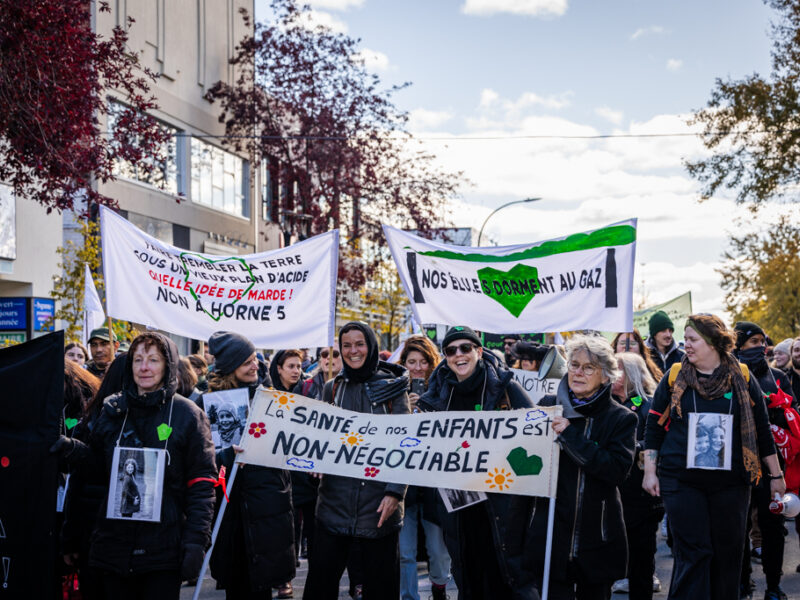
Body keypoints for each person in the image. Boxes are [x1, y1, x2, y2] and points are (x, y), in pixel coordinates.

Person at [53, 331, 217, 599]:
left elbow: (201, 484)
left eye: (153, 360)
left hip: (162, 551)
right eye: (138, 359)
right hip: (112, 548)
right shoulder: (113, 410)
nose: (144, 367)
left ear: (168, 365)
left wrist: (196, 542)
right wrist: (73, 450)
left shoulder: (187, 414)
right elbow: (97, 473)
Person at [643, 314, 783, 600]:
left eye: (693, 339)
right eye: (687, 338)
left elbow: (761, 429)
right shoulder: (674, 376)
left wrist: (776, 475)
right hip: (681, 480)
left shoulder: (742, 377)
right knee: (695, 552)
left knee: (728, 554)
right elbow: (653, 427)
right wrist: (649, 471)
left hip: (731, 482)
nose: (687, 345)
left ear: (713, 343)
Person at [418, 326, 536, 599]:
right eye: (451, 350)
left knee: (503, 574)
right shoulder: (436, 394)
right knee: (469, 573)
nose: (459, 355)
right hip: (458, 502)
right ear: (445, 357)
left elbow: (535, 430)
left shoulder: (507, 388)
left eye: (465, 348)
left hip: (502, 500)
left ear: (479, 351)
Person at [303, 322, 411, 600]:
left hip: (379, 509)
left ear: (371, 346)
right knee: (320, 587)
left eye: (359, 343)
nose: (353, 351)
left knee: (381, 589)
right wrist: (316, 461)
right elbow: (321, 436)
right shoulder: (332, 388)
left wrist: (395, 493)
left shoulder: (393, 390)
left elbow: (406, 445)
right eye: (346, 345)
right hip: (333, 507)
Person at [529, 334, 637, 599]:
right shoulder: (547, 408)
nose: (578, 372)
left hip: (596, 539)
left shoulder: (622, 418)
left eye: (589, 367)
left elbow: (616, 470)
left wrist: (570, 436)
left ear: (605, 376)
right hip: (551, 537)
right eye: (574, 365)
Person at [204, 331, 295, 600]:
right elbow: (203, 462)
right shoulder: (206, 404)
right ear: (230, 367)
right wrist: (224, 458)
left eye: (254, 358)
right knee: (238, 585)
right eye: (246, 362)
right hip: (231, 514)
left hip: (267, 507)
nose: (254, 365)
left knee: (261, 587)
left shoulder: (271, 400)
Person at [734, 321, 798, 600]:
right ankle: (742, 583)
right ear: (737, 346)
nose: (760, 347)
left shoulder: (778, 377)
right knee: (738, 528)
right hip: (737, 467)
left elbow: (793, 415)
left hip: (773, 467)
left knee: (773, 527)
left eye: (763, 342)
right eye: (753, 342)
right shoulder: (729, 376)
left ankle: (773, 586)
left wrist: (779, 408)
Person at [397, 335, 451, 600]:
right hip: (403, 486)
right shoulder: (392, 392)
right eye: (411, 362)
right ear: (403, 364)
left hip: (432, 485)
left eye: (423, 362)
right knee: (405, 552)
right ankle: (409, 596)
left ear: (432, 364)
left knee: (438, 550)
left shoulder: (444, 391)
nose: (417, 368)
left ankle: (439, 588)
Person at [610, 352, 664, 599]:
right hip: (611, 495)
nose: (610, 373)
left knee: (642, 561)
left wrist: (628, 448)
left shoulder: (650, 406)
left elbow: (655, 444)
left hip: (640, 497)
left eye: (616, 368)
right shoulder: (605, 404)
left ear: (631, 374)